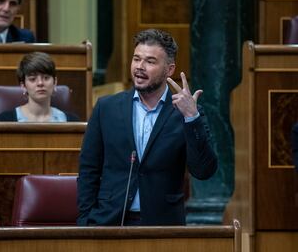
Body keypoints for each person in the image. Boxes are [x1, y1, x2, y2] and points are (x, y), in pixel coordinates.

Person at [77, 28, 218, 226]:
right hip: (110, 222)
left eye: (150, 61)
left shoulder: (187, 112)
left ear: (169, 70)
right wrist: (85, 222)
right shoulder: (106, 108)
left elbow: (204, 171)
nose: (139, 67)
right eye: (136, 59)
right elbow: (88, 170)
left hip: (163, 226)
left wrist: (191, 117)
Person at [0, 52, 78, 122]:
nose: (40, 83)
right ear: (23, 86)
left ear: (55, 82)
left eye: (46, 78)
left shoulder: (72, 121)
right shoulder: (5, 120)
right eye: (33, 79)